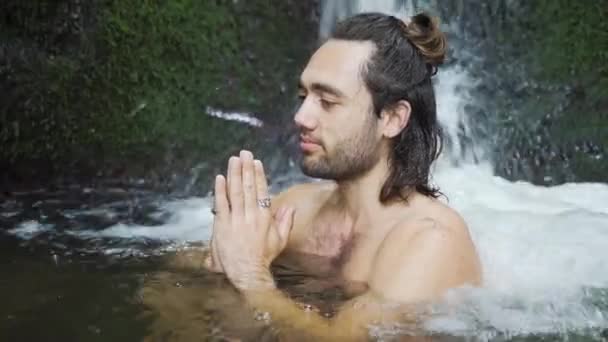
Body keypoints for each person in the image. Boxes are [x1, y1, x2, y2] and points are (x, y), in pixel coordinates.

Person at [204, 12, 482, 341]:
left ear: (392, 118)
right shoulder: (295, 209)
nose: (301, 116)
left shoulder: (431, 241)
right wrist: (225, 256)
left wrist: (250, 276)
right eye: (303, 97)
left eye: (327, 101)